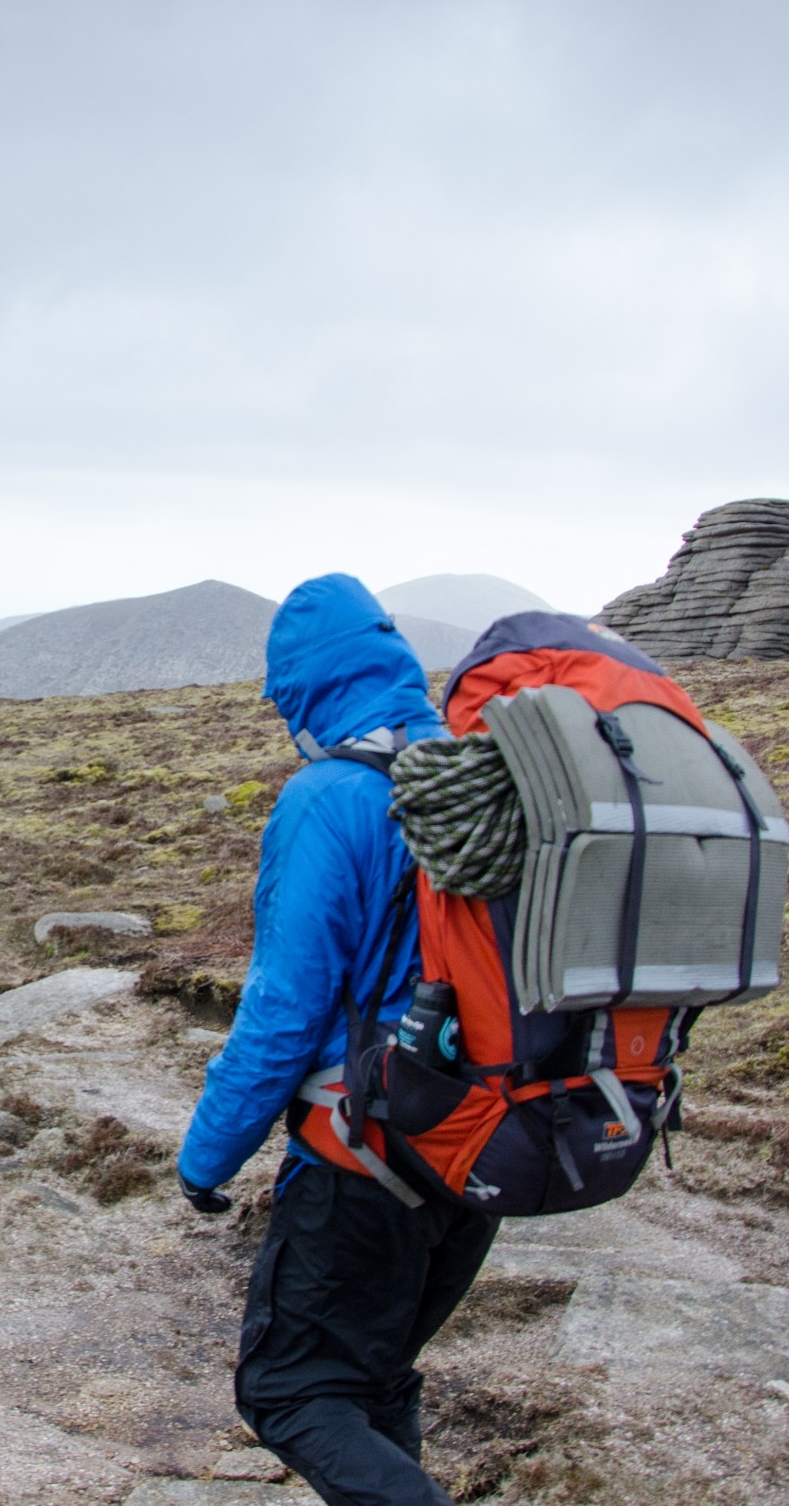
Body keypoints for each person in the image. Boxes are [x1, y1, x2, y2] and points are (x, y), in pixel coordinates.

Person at [176, 573, 499, 1506]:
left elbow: (283, 1011)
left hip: (366, 1156)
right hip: (482, 1145)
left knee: (292, 1391)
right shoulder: (471, 773)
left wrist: (208, 1157)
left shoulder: (330, 799)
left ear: (305, 690)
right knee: (378, 1371)